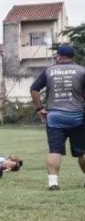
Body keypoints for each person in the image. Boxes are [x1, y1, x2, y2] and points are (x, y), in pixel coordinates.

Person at [29, 43, 85, 190]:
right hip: (77, 116)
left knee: (55, 150)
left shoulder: (49, 71)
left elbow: (34, 89)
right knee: (82, 151)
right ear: (73, 57)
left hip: (54, 117)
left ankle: (53, 182)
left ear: (59, 56)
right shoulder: (81, 71)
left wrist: (40, 109)